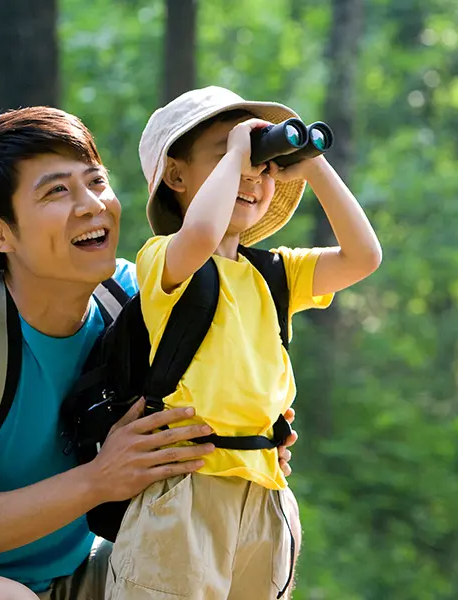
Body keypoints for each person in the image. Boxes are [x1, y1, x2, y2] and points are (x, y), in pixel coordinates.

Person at [0, 106, 298, 600]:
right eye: (57, 191)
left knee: (212, 553)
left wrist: (249, 441)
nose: (92, 205)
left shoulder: (133, 301)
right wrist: (98, 480)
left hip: (82, 572)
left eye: (96, 181)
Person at [105, 86, 382, 599]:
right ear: (176, 175)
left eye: (264, 166)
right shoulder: (164, 257)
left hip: (265, 490)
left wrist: (313, 166)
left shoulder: (275, 273)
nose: (253, 175)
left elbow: (364, 256)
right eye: (226, 154)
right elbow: (204, 232)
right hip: (183, 488)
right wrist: (240, 151)